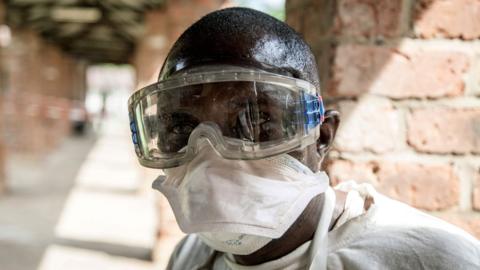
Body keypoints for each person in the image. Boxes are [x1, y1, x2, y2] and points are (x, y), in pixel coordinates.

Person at [127, 7, 480, 270]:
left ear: (322, 137)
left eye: (257, 120)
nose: (213, 157)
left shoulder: (432, 259)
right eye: (181, 127)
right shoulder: (190, 256)